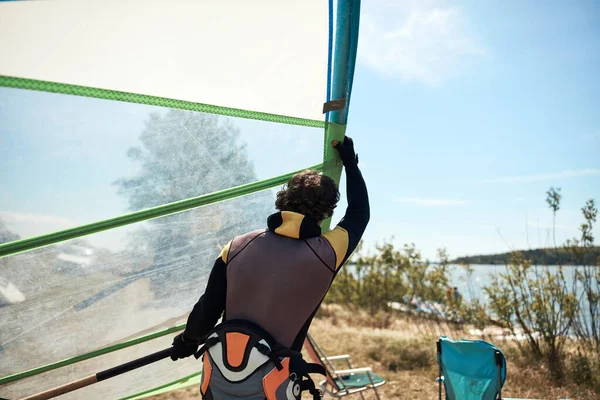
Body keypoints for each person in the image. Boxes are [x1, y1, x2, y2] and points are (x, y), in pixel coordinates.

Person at [170, 136, 369, 400]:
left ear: (283, 200)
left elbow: (207, 311)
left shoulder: (237, 246)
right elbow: (359, 213)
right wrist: (350, 163)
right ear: (325, 213)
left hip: (219, 383)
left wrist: (187, 341)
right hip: (275, 387)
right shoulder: (328, 252)